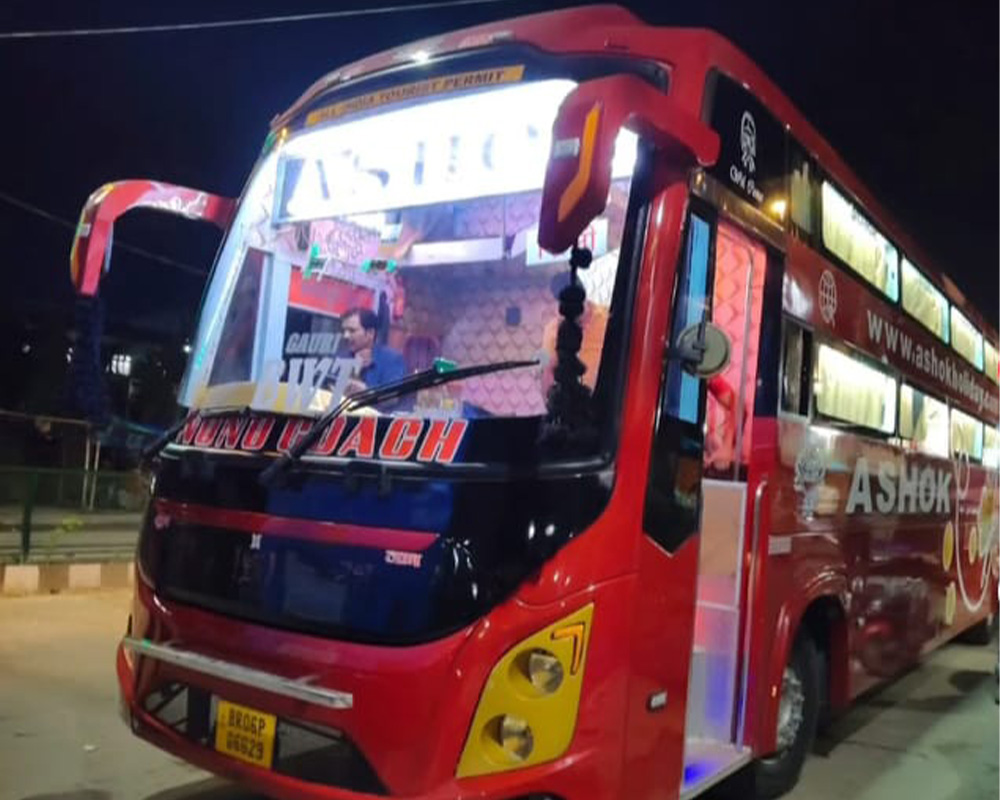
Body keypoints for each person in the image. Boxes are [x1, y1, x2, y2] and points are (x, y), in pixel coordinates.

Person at [540, 272, 609, 397]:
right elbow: (546, 375)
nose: (573, 310)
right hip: (570, 404)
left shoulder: (608, 319)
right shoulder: (551, 331)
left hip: (609, 402)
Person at [341, 307, 412, 411]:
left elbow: (391, 398)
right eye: (344, 331)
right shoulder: (343, 356)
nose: (345, 336)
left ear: (370, 333)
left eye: (352, 331)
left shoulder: (391, 359)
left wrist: (365, 390)